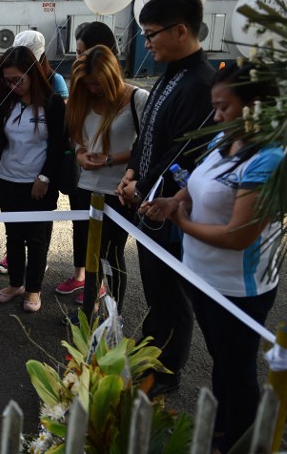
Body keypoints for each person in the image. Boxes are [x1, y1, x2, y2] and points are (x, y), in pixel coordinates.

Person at [140, 63, 281, 452]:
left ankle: (244, 440)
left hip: (237, 286)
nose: (216, 116)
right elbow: (196, 180)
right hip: (202, 273)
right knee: (222, 360)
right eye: (215, 107)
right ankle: (223, 429)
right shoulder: (225, 137)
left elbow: (238, 236)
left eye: (223, 107)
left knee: (236, 369)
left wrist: (182, 223)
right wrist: (173, 201)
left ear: (254, 107)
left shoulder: (268, 159)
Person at [116, 0, 216, 398]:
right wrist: (129, 172)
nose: (148, 41)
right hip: (145, 198)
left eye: (153, 33)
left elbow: (184, 151)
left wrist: (143, 185)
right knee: (155, 286)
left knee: (172, 292)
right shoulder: (169, 75)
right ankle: (151, 354)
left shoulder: (202, 84)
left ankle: (168, 369)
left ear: (180, 30)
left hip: (169, 206)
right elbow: (148, 136)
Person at [65, 45, 148, 311]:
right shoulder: (83, 98)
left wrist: (110, 159)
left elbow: (146, 146)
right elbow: (77, 139)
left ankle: (115, 316)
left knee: (112, 256)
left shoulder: (137, 98)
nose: (93, 89)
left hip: (119, 191)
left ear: (112, 75)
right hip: (86, 187)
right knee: (90, 256)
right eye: (88, 84)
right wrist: (80, 156)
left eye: (98, 83)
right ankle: (89, 310)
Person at [0, 45, 66, 313]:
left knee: (38, 237)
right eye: (8, 80)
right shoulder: (5, 101)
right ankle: (16, 282)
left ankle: (33, 289)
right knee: (14, 235)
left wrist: (45, 177)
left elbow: (57, 146)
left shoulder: (52, 103)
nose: (13, 85)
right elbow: (5, 143)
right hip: (8, 178)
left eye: (18, 79)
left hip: (39, 182)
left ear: (34, 74)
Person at [56, 21, 120, 297]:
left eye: (82, 51)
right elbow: (75, 134)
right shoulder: (80, 91)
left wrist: (108, 160)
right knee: (81, 227)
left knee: (109, 244)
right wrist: (80, 153)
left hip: (114, 186)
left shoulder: (130, 97)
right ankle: (81, 277)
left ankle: (101, 291)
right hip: (83, 178)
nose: (79, 58)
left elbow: (140, 146)